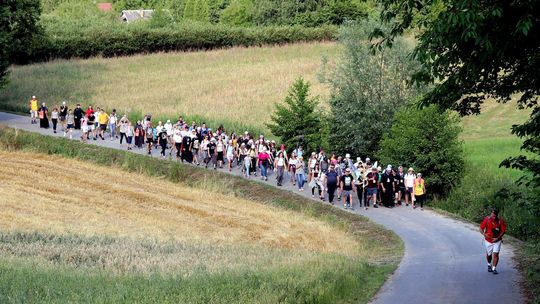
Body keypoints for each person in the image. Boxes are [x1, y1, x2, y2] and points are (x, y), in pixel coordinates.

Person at [480, 209, 507, 275]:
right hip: (488, 241)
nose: (493, 217)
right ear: (491, 214)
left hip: (497, 241)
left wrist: (497, 238)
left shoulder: (500, 221)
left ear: (497, 215)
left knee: (496, 254)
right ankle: (489, 264)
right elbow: (481, 228)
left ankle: (494, 268)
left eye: (495, 216)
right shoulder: (487, 219)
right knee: (489, 254)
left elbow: (503, 231)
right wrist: (484, 234)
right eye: (492, 215)